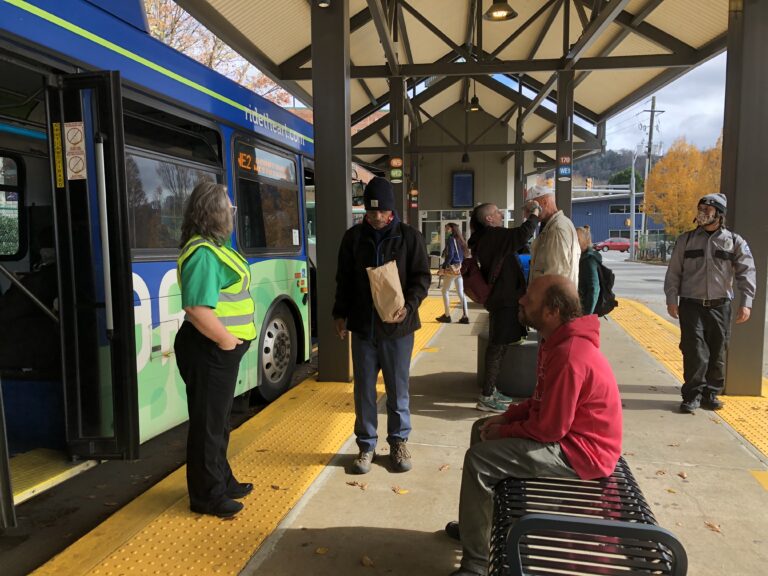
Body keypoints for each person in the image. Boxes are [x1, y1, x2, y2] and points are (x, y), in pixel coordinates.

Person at [445, 275, 623, 576]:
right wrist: (507, 417)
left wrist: (505, 431)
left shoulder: (569, 355)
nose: (521, 300)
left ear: (552, 311)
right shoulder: (556, 341)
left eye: (530, 297)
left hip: (583, 453)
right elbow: (541, 402)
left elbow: (550, 429)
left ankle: (475, 565)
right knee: (481, 428)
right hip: (570, 438)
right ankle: (477, 526)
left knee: (479, 461)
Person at [333, 177, 430, 474]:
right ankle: (366, 445)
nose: (375, 217)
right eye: (370, 211)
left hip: (398, 331)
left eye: (381, 211)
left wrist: (409, 306)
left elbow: (421, 278)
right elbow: (344, 280)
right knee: (363, 390)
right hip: (363, 329)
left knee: (398, 389)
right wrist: (340, 314)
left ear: (392, 211)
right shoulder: (353, 238)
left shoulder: (409, 237)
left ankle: (398, 442)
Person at [174, 181, 256, 519]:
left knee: (219, 420)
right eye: (230, 206)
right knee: (209, 423)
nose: (234, 211)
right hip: (209, 349)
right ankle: (207, 496)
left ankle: (222, 480)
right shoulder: (203, 254)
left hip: (218, 350)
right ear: (216, 212)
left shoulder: (214, 248)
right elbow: (197, 308)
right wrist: (225, 340)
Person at [663, 193, 756, 414]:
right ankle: (692, 396)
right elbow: (673, 272)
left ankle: (711, 394)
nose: (702, 212)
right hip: (691, 305)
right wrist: (671, 299)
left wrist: (746, 301)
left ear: (719, 214)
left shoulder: (734, 241)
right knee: (694, 351)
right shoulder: (686, 240)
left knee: (718, 351)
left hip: (720, 305)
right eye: (701, 208)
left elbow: (747, 271)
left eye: (708, 209)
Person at [468, 201, 540, 413]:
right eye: (496, 212)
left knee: (498, 345)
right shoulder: (493, 236)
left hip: (500, 298)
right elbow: (522, 234)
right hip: (504, 299)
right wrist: (534, 214)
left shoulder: (486, 238)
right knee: (497, 346)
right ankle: (487, 396)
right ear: (488, 219)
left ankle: (491, 390)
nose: (500, 214)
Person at [526, 185, 580, 286]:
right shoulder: (557, 224)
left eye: (532, 208)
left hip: (551, 299)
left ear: (545, 202)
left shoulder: (557, 228)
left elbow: (556, 273)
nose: (530, 213)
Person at [436, 222, 470, 324]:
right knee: (460, 292)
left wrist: (443, 267)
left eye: (446, 228)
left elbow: (450, 255)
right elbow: (464, 255)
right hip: (459, 268)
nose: (445, 230)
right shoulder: (460, 239)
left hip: (451, 269)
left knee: (444, 291)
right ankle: (465, 316)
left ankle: (447, 315)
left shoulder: (451, 239)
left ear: (451, 229)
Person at [576, 225, 601, 315]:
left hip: (583, 310)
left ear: (584, 241)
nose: (573, 242)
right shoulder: (580, 257)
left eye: (577, 240)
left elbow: (594, 288)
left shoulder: (589, 260)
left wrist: (587, 314)